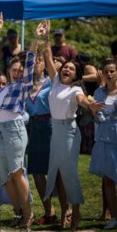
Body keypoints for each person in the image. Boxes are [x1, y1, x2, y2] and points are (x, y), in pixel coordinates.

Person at [43, 20, 103, 230]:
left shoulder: (74, 90)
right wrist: (45, 36)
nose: (66, 69)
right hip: (55, 132)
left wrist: (90, 105)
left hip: (69, 132)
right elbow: (47, 57)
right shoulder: (55, 82)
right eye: (65, 67)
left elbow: (83, 100)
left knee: (69, 174)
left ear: (76, 75)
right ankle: (64, 213)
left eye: (70, 68)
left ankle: (75, 214)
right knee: (56, 173)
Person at [0, 21, 45, 229]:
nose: (16, 72)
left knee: (17, 172)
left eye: (19, 70)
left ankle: (28, 213)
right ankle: (18, 213)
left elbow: (30, 59)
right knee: (6, 178)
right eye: (13, 69)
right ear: (8, 70)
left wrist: (36, 37)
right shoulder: (2, 89)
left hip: (15, 130)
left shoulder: (23, 86)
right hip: (1, 133)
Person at [26, 46, 56, 225]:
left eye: (40, 60)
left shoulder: (51, 81)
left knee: (55, 170)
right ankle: (49, 211)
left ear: (45, 64)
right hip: (34, 129)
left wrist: (46, 42)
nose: (36, 63)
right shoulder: (26, 85)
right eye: (34, 60)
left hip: (49, 126)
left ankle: (67, 209)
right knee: (36, 172)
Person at [89, 59, 117, 230]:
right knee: (108, 179)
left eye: (112, 71)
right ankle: (113, 216)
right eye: (106, 71)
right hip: (103, 138)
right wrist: (95, 113)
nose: (109, 74)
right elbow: (97, 116)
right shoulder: (99, 92)